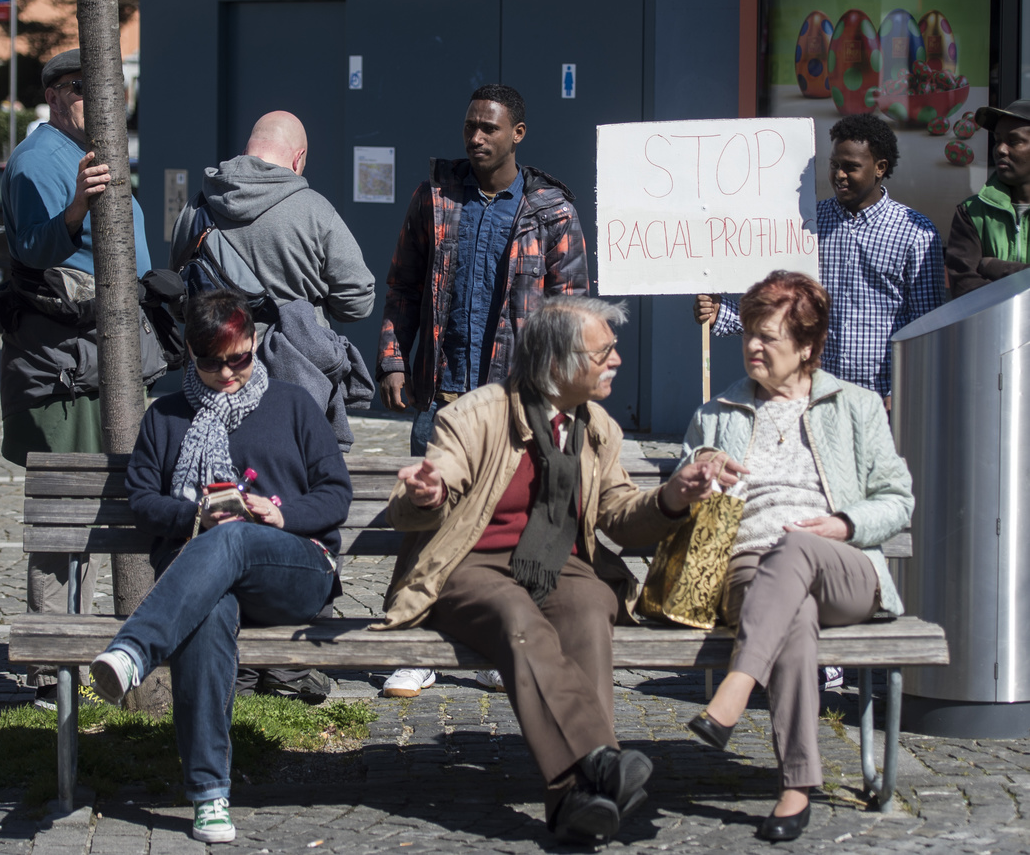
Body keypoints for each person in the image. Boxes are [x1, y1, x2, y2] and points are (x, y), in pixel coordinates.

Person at [378, 294, 739, 844]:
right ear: (556, 364)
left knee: (593, 606)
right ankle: (602, 764)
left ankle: (577, 800)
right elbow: (438, 479)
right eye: (604, 353)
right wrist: (428, 493)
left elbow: (619, 517)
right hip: (470, 563)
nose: (617, 361)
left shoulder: (598, 427)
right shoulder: (476, 414)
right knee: (516, 617)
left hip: (559, 563)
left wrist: (671, 496)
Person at [89, 290, 351, 845]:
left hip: (296, 567)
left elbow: (335, 496)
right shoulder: (165, 416)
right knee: (207, 618)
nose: (227, 372)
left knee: (234, 538)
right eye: (211, 361)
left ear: (254, 344)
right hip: (204, 577)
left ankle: (135, 649)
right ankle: (209, 794)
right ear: (189, 352)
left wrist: (277, 513)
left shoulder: (293, 403)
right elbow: (141, 499)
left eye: (239, 358)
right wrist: (195, 513)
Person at [683, 271, 913, 842]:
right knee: (794, 613)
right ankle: (796, 786)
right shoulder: (717, 413)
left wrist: (844, 523)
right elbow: (686, 507)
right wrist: (702, 478)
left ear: (807, 347)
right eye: (749, 336)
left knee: (797, 550)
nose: (753, 347)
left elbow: (898, 499)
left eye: (769, 338)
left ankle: (735, 687)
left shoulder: (855, 406)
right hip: (748, 565)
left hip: (844, 565)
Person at [375, 83, 588, 698]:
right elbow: (402, 285)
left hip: (517, 402)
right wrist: (393, 360)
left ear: (517, 134)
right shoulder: (435, 197)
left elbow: (571, 311)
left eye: (489, 128)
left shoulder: (552, 211)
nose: (475, 137)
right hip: (445, 394)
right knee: (427, 521)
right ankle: (415, 645)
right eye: (470, 126)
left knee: (507, 527)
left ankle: (497, 643)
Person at [170, 109, 375, 702]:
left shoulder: (201, 205)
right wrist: (306, 305)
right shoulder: (311, 209)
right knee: (300, 517)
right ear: (298, 158)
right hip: (298, 395)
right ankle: (287, 663)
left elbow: (180, 275)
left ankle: (230, 653)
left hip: (212, 386)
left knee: (223, 517)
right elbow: (359, 299)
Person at [0, 48, 159, 709]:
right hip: (67, 370)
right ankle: (50, 667)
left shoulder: (85, 151)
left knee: (97, 509)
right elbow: (32, 251)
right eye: (93, 91)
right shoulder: (39, 161)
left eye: (116, 90)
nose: (110, 102)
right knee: (64, 515)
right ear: (59, 94)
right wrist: (71, 212)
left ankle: (87, 648)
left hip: (104, 362)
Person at [696, 113, 945, 411]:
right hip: (810, 393)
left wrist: (902, 388)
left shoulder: (915, 233)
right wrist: (721, 314)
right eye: (834, 165)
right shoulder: (807, 223)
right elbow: (782, 309)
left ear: (880, 168)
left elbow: (926, 327)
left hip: (882, 402)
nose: (839, 174)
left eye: (851, 167)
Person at [170, 110, 375, 331]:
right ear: (298, 159)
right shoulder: (315, 211)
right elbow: (358, 303)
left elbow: (177, 299)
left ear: (246, 151)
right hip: (295, 361)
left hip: (211, 361)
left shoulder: (196, 206)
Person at [948, 99, 1030, 298]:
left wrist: (992, 266)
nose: (1000, 149)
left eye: (1013, 141)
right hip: (994, 329)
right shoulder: (971, 211)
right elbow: (965, 288)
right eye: (997, 140)